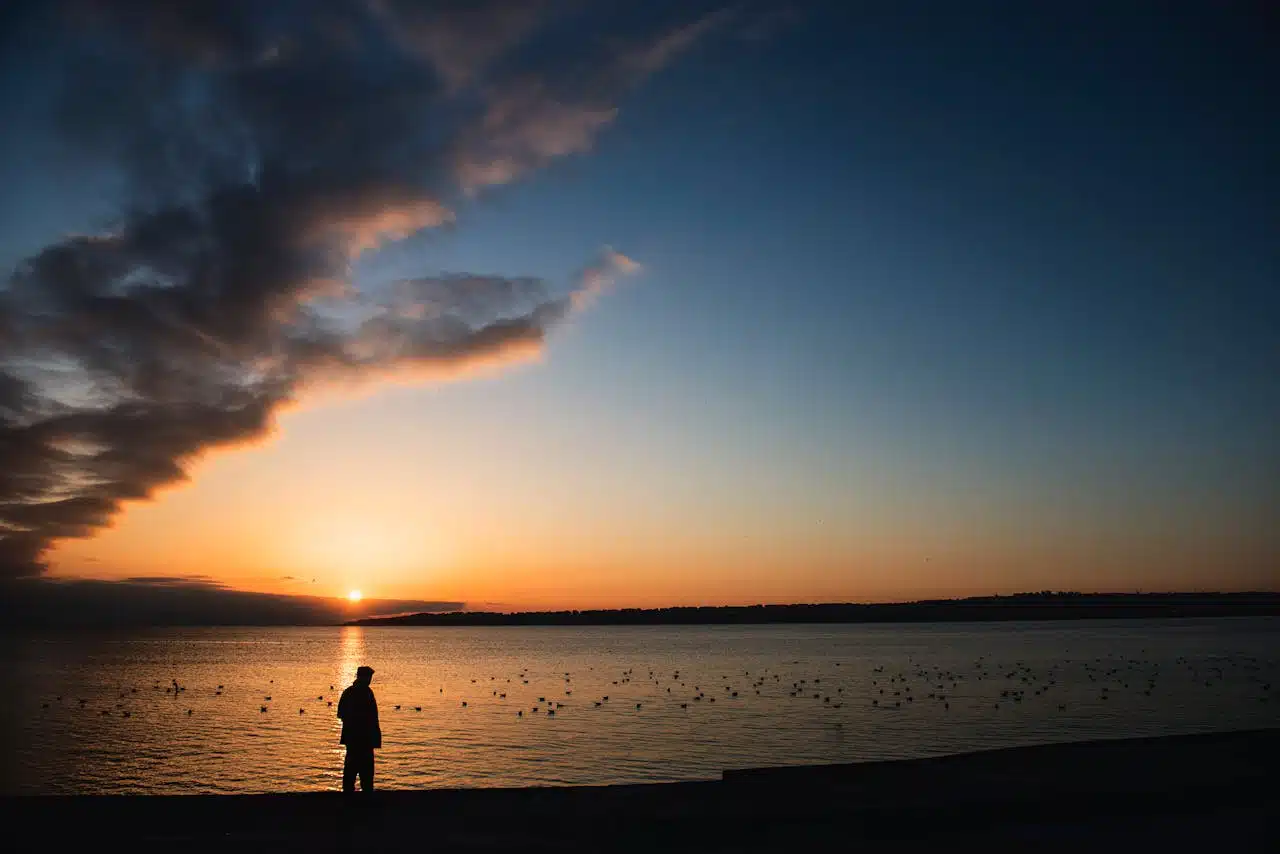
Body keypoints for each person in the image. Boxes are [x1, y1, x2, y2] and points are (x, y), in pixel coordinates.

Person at [337, 665, 381, 794]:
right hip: (362, 739)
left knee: (352, 771)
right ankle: (360, 800)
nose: (370, 680)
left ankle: (351, 798)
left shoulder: (351, 692)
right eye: (369, 677)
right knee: (363, 772)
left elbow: (340, 714)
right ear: (363, 677)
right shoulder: (364, 693)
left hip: (356, 738)